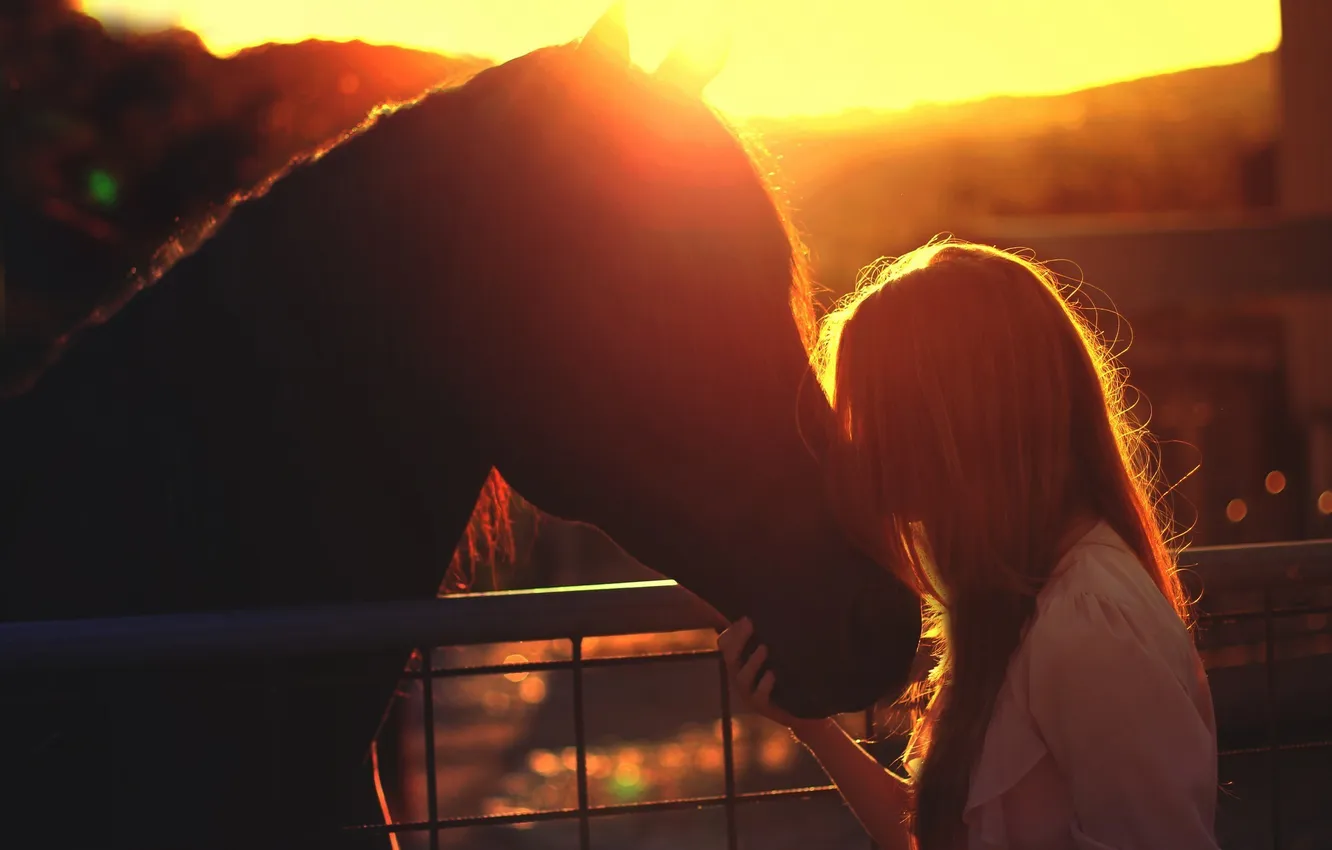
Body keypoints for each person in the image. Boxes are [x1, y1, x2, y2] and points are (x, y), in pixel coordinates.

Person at [719, 238, 1219, 850]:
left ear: (958, 420)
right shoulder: (1017, 601)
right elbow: (940, 835)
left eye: (879, 416)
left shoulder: (1089, 626)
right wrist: (812, 727)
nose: (861, 450)